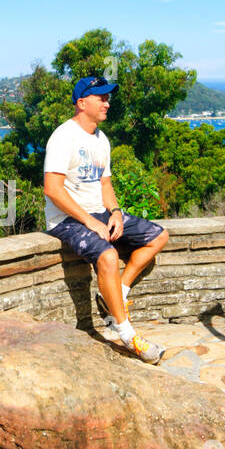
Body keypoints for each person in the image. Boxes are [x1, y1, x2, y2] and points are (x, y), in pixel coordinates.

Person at [43, 75, 170, 363]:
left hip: (99, 212)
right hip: (67, 219)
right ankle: (125, 333)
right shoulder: (64, 136)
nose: (107, 103)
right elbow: (52, 188)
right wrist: (89, 221)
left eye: (107, 97)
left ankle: (118, 292)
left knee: (158, 235)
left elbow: (105, 184)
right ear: (81, 102)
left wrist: (114, 212)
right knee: (109, 256)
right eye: (101, 97)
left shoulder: (101, 139)